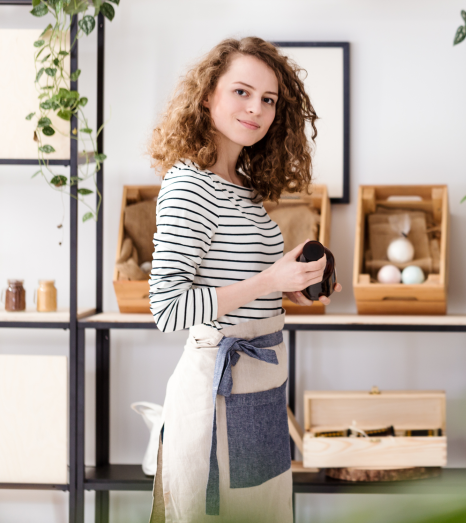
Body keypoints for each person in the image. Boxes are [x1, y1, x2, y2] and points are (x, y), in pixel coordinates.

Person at [146, 36, 341, 522]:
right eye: (241, 92)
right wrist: (267, 279)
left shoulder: (241, 187)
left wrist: (288, 285)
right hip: (217, 394)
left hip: (260, 387)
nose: (256, 108)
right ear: (208, 94)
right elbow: (168, 308)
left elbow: (239, 285)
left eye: (268, 99)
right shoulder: (189, 184)